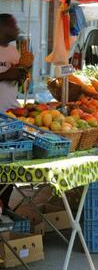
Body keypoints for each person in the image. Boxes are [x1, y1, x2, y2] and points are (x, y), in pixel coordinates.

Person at [0, 14, 27, 211]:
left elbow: (18, 78)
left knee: (10, 166)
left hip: (11, 114)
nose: (17, 28)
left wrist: (21, 74)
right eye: (14, 24)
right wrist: (5, 75)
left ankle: (5, 205)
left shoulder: (13, 51)